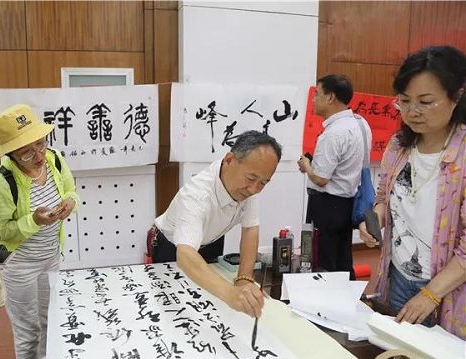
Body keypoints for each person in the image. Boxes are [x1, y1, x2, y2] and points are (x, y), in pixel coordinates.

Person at [360, 46, 466, 339]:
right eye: (404, 101)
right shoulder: (399, 146)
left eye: (426, 101)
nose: (412, 112)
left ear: (457, 96)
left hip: (449, 290)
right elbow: (384, 198)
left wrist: (431, 294)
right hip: (398, 276)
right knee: (399, 355)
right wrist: (376, 219)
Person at [0, 103, 79, 359]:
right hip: (19, 266)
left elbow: (70, 190)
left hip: (51, 258)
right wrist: (33, 221)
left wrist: (70, 203)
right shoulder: (1, 185)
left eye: (40, 143)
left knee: (51, 326)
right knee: (28, 335)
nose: (37, 155)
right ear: (10, 153)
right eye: (26, 152)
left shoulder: (54, 160)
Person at [150, 131, 281, 318]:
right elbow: (185, 254)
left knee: (210, 308)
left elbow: (250, 229)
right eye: (251, 179)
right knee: (176, 308)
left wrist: (244, 279)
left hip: (211, 239)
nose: (254, 189)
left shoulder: (248, 185)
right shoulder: (197, 195)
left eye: (263, 183)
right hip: (172, 247)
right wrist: (230, 293)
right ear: (229, 160)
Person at [298, 74, 372, 280]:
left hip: (326, 206)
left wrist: (307, 166)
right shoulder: (361, 123)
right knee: (343, 259)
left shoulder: (334, 133)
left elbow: (321, 179)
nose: (313, 99)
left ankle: (327, 298)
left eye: (317, 94)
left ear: (330, 97)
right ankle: (350, 297)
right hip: (347, 203)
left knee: (324, 262)